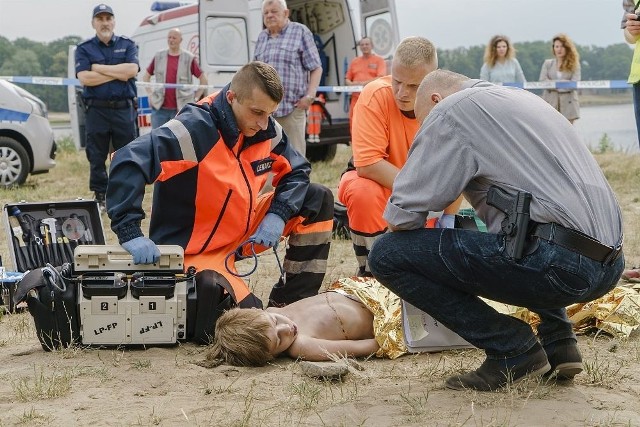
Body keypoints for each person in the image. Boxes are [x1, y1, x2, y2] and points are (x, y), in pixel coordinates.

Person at [368, 69, 624, 392]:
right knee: (525, 232)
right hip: (609, 266)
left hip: (561, 263)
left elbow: (401, 216)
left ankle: (511, 347)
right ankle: (560, 343)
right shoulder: (517, 99)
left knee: (387, 254)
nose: (425, 130)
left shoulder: (451, 111)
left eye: (423, 122)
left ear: (436, 100)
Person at [105, 61, 334, 308]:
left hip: (242, 235)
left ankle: (291, 305)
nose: (264, 124)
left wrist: (278, 214)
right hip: (194, 252)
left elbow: (297, 171)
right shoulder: (195, 129)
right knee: (255, 325)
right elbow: (128, 159)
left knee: (316, 197)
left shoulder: (266, 129)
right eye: (257, 112)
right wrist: (130, 232)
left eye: (270, 114)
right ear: (232, 97)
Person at [337, 36, 462, 277]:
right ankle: (371, 271)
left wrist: (449, 215)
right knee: (362, 191)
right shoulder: (375, 95)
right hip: (387, 186)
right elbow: (368, 165)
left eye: (413, 86)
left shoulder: (449, 105)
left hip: (425, 193)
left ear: (432, 82)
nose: (402, 93)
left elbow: (457, 167)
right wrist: (424, 194)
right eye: (397, 81)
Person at [208, 276, 406, 366]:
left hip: (365, 291)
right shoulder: (302, 346)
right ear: (272, 356)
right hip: (388, 318)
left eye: (275, 322)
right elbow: (364, 347)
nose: (287, 328)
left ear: (256, 310)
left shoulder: (271, 310)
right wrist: (395, 340)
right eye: (279, 340)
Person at [75, 4, 139, 209]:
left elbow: (131, 70)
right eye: (100, 19)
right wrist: (117, 72)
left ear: (114, 21)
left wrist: (99, 69)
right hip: (97, 110)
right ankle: (100, 196)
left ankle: (124, 195)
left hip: (123, 109)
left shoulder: (128, 45)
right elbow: (85, 77)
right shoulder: (84, 49)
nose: (104, 23)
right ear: (93, 23)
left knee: (126, 154)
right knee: (96, 155)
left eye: (108, 18)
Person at [254, 0, 323, 158]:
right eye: (266, 13)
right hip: (266, 111)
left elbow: (316, 67)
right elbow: (255, 72)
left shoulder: (300, 31)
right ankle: (270, 184)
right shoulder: (261, 37)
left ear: (286, 13)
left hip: (293, 108)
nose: (269, 15)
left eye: (274, 11)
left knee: (294, 157)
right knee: (266, 157)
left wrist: (309, 97)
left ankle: (296, 184)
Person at [142, 28, 208, 129]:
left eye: (174, 38)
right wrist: (150, 95)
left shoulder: (188, 58)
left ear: (181, 40)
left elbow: (204, 80)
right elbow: (146, 77)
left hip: (181, 110)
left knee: (180, 141)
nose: (171, 40)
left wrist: (195, 98)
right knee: (157, 141)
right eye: (169, 37)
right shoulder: (159, 56)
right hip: (159, 110)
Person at [538, 33, 581, 124]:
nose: (559, 49)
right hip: (550, 102)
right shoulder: (547, 63)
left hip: (568, 104)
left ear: (567, 48)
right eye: (557, 46)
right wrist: (561, 83)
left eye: (562, 46)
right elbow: (543, 81)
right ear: (553, 48)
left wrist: (553, 84)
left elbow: (574, 84)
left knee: (568, 132)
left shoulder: (575, 64)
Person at [345, 37, 387, 128]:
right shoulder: (355, 61)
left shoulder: (379, 60)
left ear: (372, 46)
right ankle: (355, 142)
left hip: (372, 98)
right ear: (359, 47)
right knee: (354, 122)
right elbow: (347, 79)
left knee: (372, 123)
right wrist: (351, 84)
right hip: (356, 98)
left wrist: (363, 84)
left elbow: (380, 77)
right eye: (362, 44)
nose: (364, 46)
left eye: (367, 44)